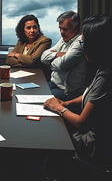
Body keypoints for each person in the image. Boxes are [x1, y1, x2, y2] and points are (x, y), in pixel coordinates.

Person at [44, 15, 112, 168]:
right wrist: (66, 103)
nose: (81, 44)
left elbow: (81, 123)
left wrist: (58, 107)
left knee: (50, 131)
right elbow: (90, 95)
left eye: (84, 41)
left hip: (91, 143)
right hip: (93, 133)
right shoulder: (104, 68)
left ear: (95, 45)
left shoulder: (106, 77)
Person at [41, 11, 87, 101]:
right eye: (60, 28)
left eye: (65, 29)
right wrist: (57, 55)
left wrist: (51, 61)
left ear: (76, 28)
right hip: (53, 84)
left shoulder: (80, 42)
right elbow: (43, 57)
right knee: (34, 92)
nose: (61, 32)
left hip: (66, 92)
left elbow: (61, 65)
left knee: (38, 100)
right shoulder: (64, 39)